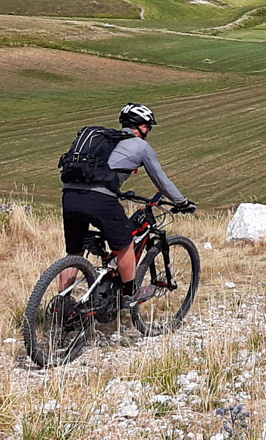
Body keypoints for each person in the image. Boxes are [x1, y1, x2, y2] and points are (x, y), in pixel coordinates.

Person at [60, 103, 196, 307]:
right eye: (148, 127)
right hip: (100, 200)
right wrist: (182, 202)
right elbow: (162, 181)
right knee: (125, 244)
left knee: (75, 252)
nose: (149, 131)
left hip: (70, 196)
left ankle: (61, 302)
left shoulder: (106, 141)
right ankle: (130, 293)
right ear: (141, 126)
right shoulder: (141, 147)